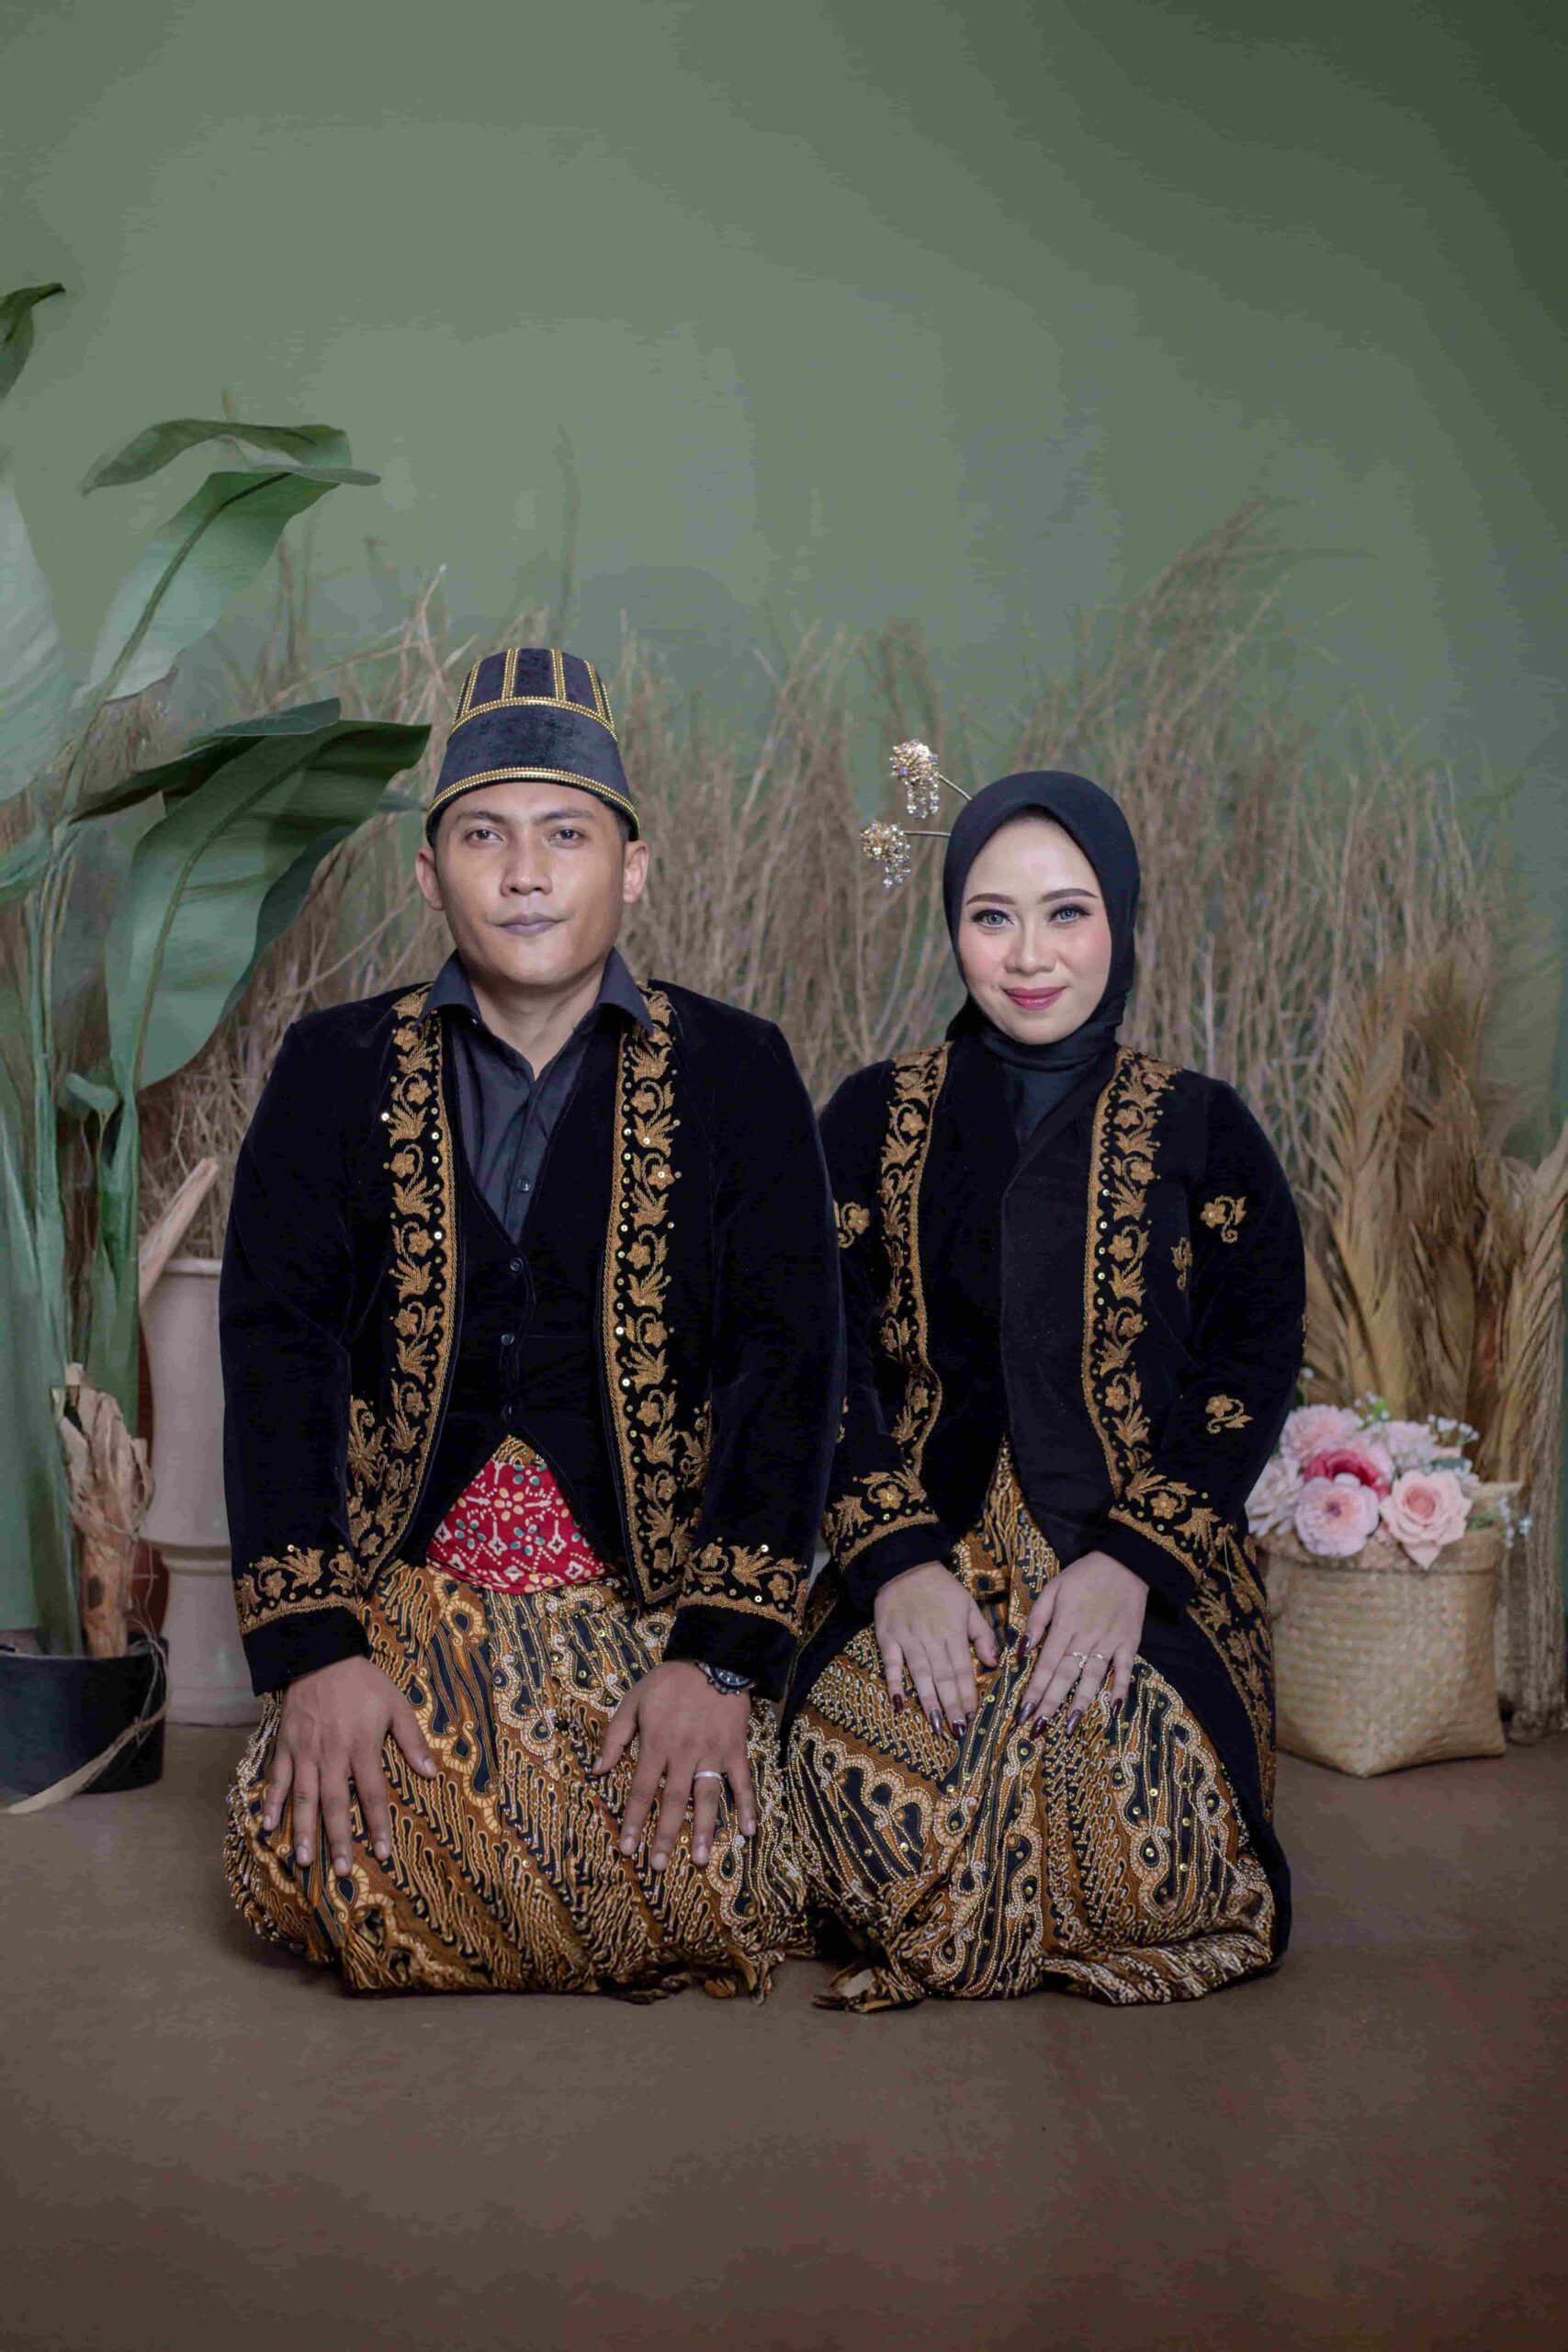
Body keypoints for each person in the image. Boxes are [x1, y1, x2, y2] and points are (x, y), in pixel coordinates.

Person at [223, 646, 840, 1996]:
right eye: (482, 835)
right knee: (313, 1856)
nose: (524, 874)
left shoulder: (738, 1070)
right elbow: (278, 1350)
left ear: (634, 867)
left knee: (723, 1872)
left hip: (643, 1599)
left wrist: (718, 1661)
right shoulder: (332, 1069)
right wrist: (316, 1651)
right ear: (428, 871)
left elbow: (788, 1365)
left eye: (567, 834)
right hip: (409, 1594)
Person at [784, 765, 1304, 2007]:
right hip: (926, 1549)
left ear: (1120, 918)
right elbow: (815, 1350)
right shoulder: (872, 1116)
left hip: (1136, 1567)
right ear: (953, 925)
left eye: (1068, 912)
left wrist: (1132, 1565)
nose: (1028, 956)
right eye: (992, 916)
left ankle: (979, 1919)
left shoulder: (1204, 1126)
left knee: (1154, 1848)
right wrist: (894, 1564)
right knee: (851, 1793)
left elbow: (1247, 1367)